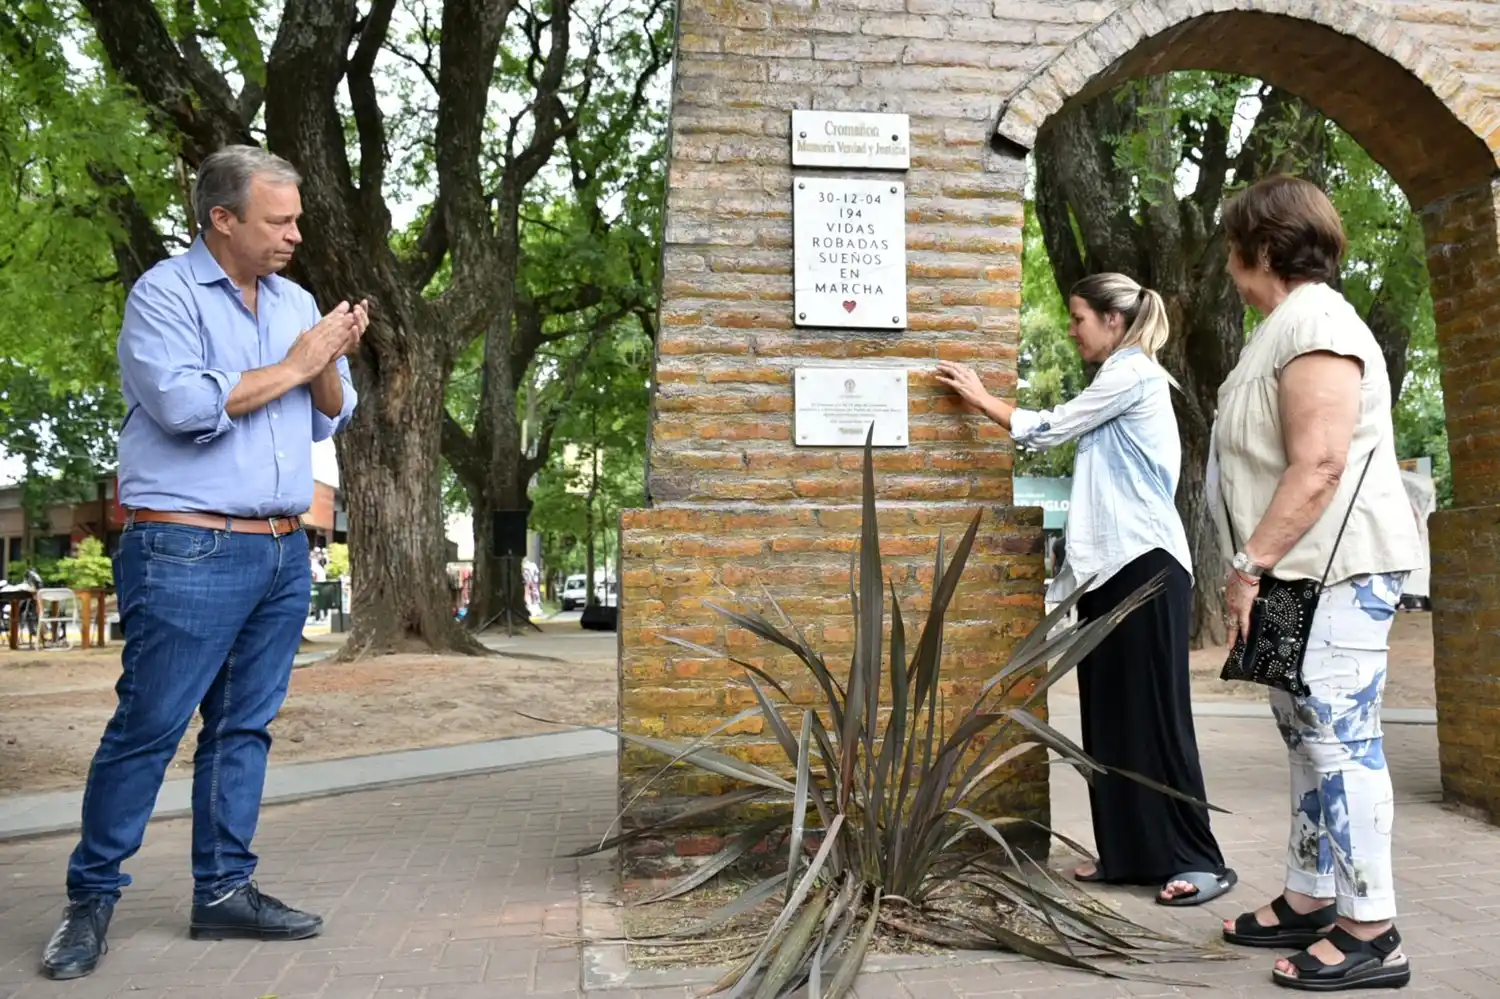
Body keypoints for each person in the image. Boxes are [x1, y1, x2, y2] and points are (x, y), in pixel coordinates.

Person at [40, 146, 366, 981]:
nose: (296, 233)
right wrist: (298, 359)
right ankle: (90, 899)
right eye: (278, 219)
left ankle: (223, 890)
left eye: (297, 217)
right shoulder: (165, 294)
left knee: (243, 730)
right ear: (222, 218)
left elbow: (332, 415)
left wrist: (327, 352)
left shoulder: (294, 299)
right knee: (147, 730)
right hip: (187, 545)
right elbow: (186, 407)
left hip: (283, 550)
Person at [936, 272, 1234, 907]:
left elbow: (1051, 427)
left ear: (1114, 321)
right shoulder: (1117, 378)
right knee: (1110, 714)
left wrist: (983, 399)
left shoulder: (1134, 374)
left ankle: (1200, 859)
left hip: (1147, 567)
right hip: (1109, 570)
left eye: (1078, 318)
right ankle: (1131, 855)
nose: (1072, 330)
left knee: (1156, 717)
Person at [1211, 175, 1422, 992]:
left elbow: (1321, 463)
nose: (1229, 265)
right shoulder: (1285, 326)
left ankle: (1373, 930)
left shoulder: (1319, 325)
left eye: (1234, 246)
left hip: (1335, 567)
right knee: (1306, 735)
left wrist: (1248, 564)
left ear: (1262, 247)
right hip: (1302, 571)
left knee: (1342, 740)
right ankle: (1311, 895)